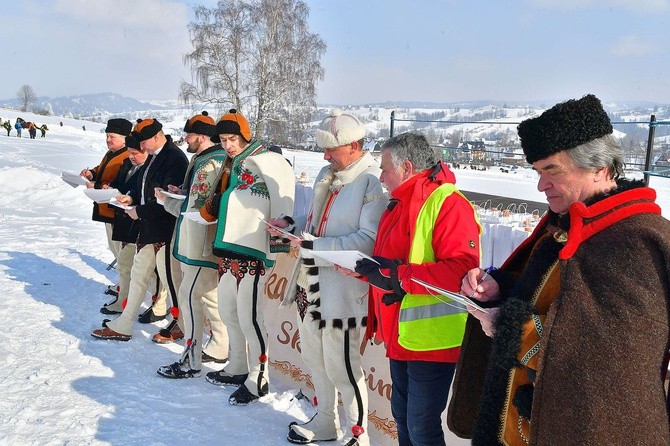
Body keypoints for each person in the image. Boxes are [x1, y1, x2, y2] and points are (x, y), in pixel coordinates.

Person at [449, 94, 670, 446]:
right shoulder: (565, 228)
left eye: (552, 170)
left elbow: (613, 369)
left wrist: (509, 326)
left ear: (600, 167)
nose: (541, 184)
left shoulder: (635, 243)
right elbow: (553, 299)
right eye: (538, 172)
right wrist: (501, 289)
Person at [354, 132, 481, 446]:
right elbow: (392, 265)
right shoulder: (398, 204)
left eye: (384, 168)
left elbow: (462, 272)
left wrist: (397, 277)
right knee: (404, 421)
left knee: (422, 428)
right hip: (402, 333)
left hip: (433, 339)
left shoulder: (448, 203)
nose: (380, 176)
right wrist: (363, 270)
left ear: (406, 167)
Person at [269, 110, 387, 446]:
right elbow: (316, 222)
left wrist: (312, 244)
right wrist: (291, 225)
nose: (324, 156)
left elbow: (367, 241)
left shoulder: (371, 182)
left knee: (344, 367)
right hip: (310, 284)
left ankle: (358, 436)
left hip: (343, 291)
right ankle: (325, 423)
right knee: (315, 359)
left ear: (352, 146)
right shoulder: (329, 172)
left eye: (331, 150)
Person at [199, 109, 295, 405]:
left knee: (250, 317)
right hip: (230, 251)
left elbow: (283, 199)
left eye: (232, 138)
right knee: (229, 311)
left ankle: (259, 377)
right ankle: (238, 365)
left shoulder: (266, 159)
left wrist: (282, 229)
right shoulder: (233, 164)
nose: (227, 144)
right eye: (224, 139)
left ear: (244, 136)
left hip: (252, 253)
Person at [92, 118, 188, 341]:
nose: (141, 148)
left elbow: (169, 199)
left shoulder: (174, 158)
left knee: (172, 282)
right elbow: (142, 186)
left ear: (156, 137)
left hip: (164, 231)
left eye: (144, 142)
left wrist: (141, 211)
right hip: (149, 229)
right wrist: (131, 197)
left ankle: (181, 323)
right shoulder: (155, 156)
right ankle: (124, 325)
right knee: (137, 276)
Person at [155, 111, 230, 378]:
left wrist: (167, 201)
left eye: (188, 134)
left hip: (201, 243)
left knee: (188, 296)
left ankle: (192, 358)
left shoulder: (211, 162)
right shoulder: (205, 159)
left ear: (200, 136)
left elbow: (199, 206)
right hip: (199, 241)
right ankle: (219, 346)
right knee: (208, 296)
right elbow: (197, 196)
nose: (185, 138)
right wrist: (180, 193)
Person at [99, 134, 151, 315]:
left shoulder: (148, 170)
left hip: (137, 223)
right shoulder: (128, 165)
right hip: (123, 220)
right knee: (125, 264)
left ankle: (125, 302)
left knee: (126, 264)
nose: (131, 156)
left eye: (135, 153)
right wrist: (110, 188)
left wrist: (129, 198)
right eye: (129, 153)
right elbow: (119, 183)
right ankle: (124, 299)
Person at [80, 118, 132, 296]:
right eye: (107, 136)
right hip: (106, 208)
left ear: (125, 138)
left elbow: (116, 184)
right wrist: (92, 173)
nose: (108, 140)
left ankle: (126, 285)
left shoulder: (127, 156)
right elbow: (102, 168)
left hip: (116, 210)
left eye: (113, 136)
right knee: (114, 248)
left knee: (121, 251)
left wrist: (95, 185)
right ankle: (123, 282)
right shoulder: (111, 153)